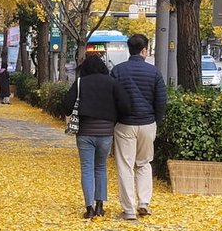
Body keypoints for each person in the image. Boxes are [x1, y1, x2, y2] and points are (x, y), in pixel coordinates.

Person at [63, 54, 130, 219]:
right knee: (100, 168)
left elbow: (66, 105)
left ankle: (89, 207)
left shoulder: (81, 83)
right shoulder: (112, 83)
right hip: (106, 133)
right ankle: (100, 205)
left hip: (85, 133)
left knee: (87, 169)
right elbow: (125, 105)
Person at [110, 34, 166, 220]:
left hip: (125, 124)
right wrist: (155, 121)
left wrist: (115, 120)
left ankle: (128, 209)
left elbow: (112, 99)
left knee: (125, 166)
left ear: (129, 49)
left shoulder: (118, 71)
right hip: (147, 122)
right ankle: (144, 202)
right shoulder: (155, 72)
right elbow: (161, 101)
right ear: (144, 50)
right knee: (144, 163)